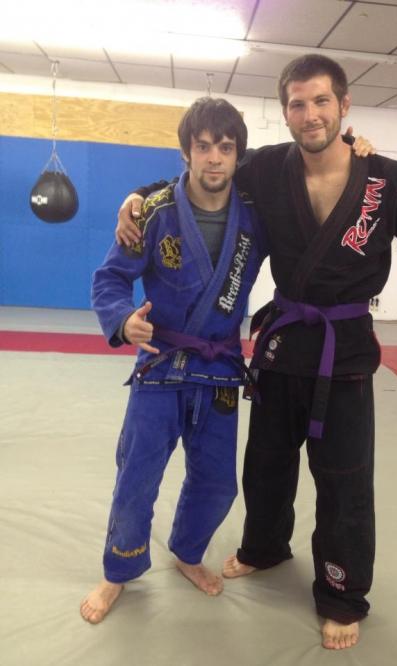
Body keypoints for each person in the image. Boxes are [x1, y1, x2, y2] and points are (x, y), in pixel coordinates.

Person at [115, 55, 397, 650]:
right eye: (298, 104)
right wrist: (138, 195)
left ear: (344, 105)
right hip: (282, 344)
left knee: (345, 479)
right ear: (285, 112)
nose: (311, 114)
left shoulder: (386, 179)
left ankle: (342, 593)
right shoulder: (268, 168)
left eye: (322, 101)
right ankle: (264, 547)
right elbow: (204, 176)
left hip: (344, 350)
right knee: (266, 463)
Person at [80, 97, 268, 624]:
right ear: (186, 152)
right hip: (161, 363)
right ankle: (118, 569)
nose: (214, 158)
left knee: (218, 481)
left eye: (225, 148)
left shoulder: (255, 217)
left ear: (238, 154)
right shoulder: (155, 211)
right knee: (137, 474)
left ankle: (187, 552)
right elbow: (110, 279)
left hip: (220, 368)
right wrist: (123, 320)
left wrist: (354, 147)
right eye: (203, 147)